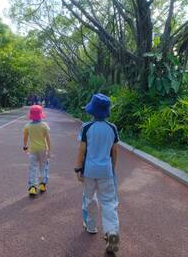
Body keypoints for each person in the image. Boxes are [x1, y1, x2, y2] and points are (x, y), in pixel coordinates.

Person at [75, 93, 120, 254]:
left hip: (89, 171)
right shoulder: (112, 128)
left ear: (91, 111)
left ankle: (91, 226)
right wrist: (112, 168)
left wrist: (78, 168)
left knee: (89, 198)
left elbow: (82, 150)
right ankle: (112, 232)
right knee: (109, 203)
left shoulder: (86, 127)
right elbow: (114, 151)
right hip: (106, 171)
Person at [23, 105, 51, 197]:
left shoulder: (28, 126)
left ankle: (32, 187)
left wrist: (25, 146)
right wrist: (49, 151)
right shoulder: (44, 125)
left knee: (33, 167)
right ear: (40, 115)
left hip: (33, 150)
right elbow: (48, 139)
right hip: (43, 149)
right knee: (43, 166)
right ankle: (42, 185)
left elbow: (25, 137)